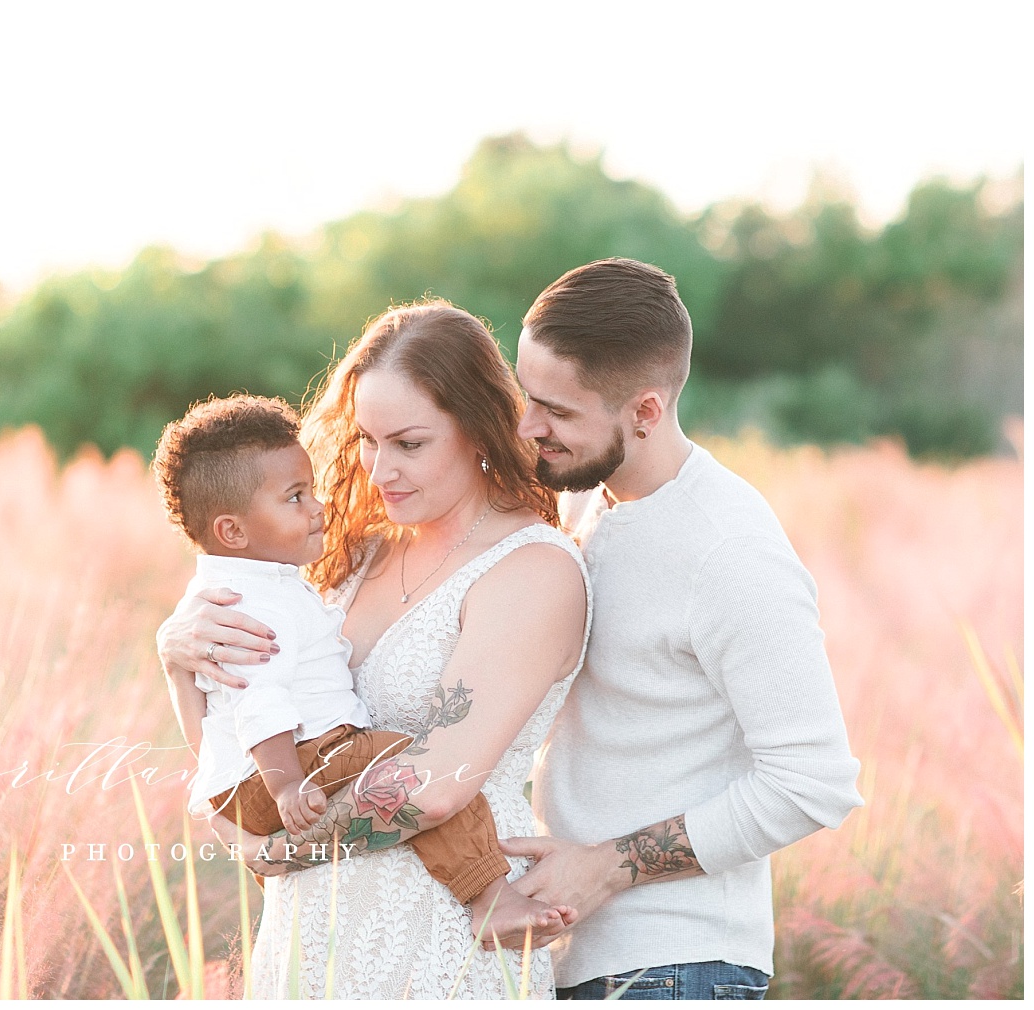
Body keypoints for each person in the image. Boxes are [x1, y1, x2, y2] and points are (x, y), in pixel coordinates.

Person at [158, 301, 591, 998]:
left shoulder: (531, 571)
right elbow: (237, 727)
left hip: (442, 935)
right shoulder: (351, 558)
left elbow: (438, 783)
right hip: (309, 934)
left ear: (478, 428)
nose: (380, 468)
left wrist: (271, 850)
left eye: (409, 444)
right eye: (366, 438)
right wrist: (177, 660)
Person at [491, 258, 864, 999]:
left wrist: (607, 865)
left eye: (558, 411)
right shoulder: (586, 503)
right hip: (574, 957)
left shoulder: (730, 551)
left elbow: (816, 783)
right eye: (527, 397)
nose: (530, 428)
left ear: (646, 411)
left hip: (679, 967)